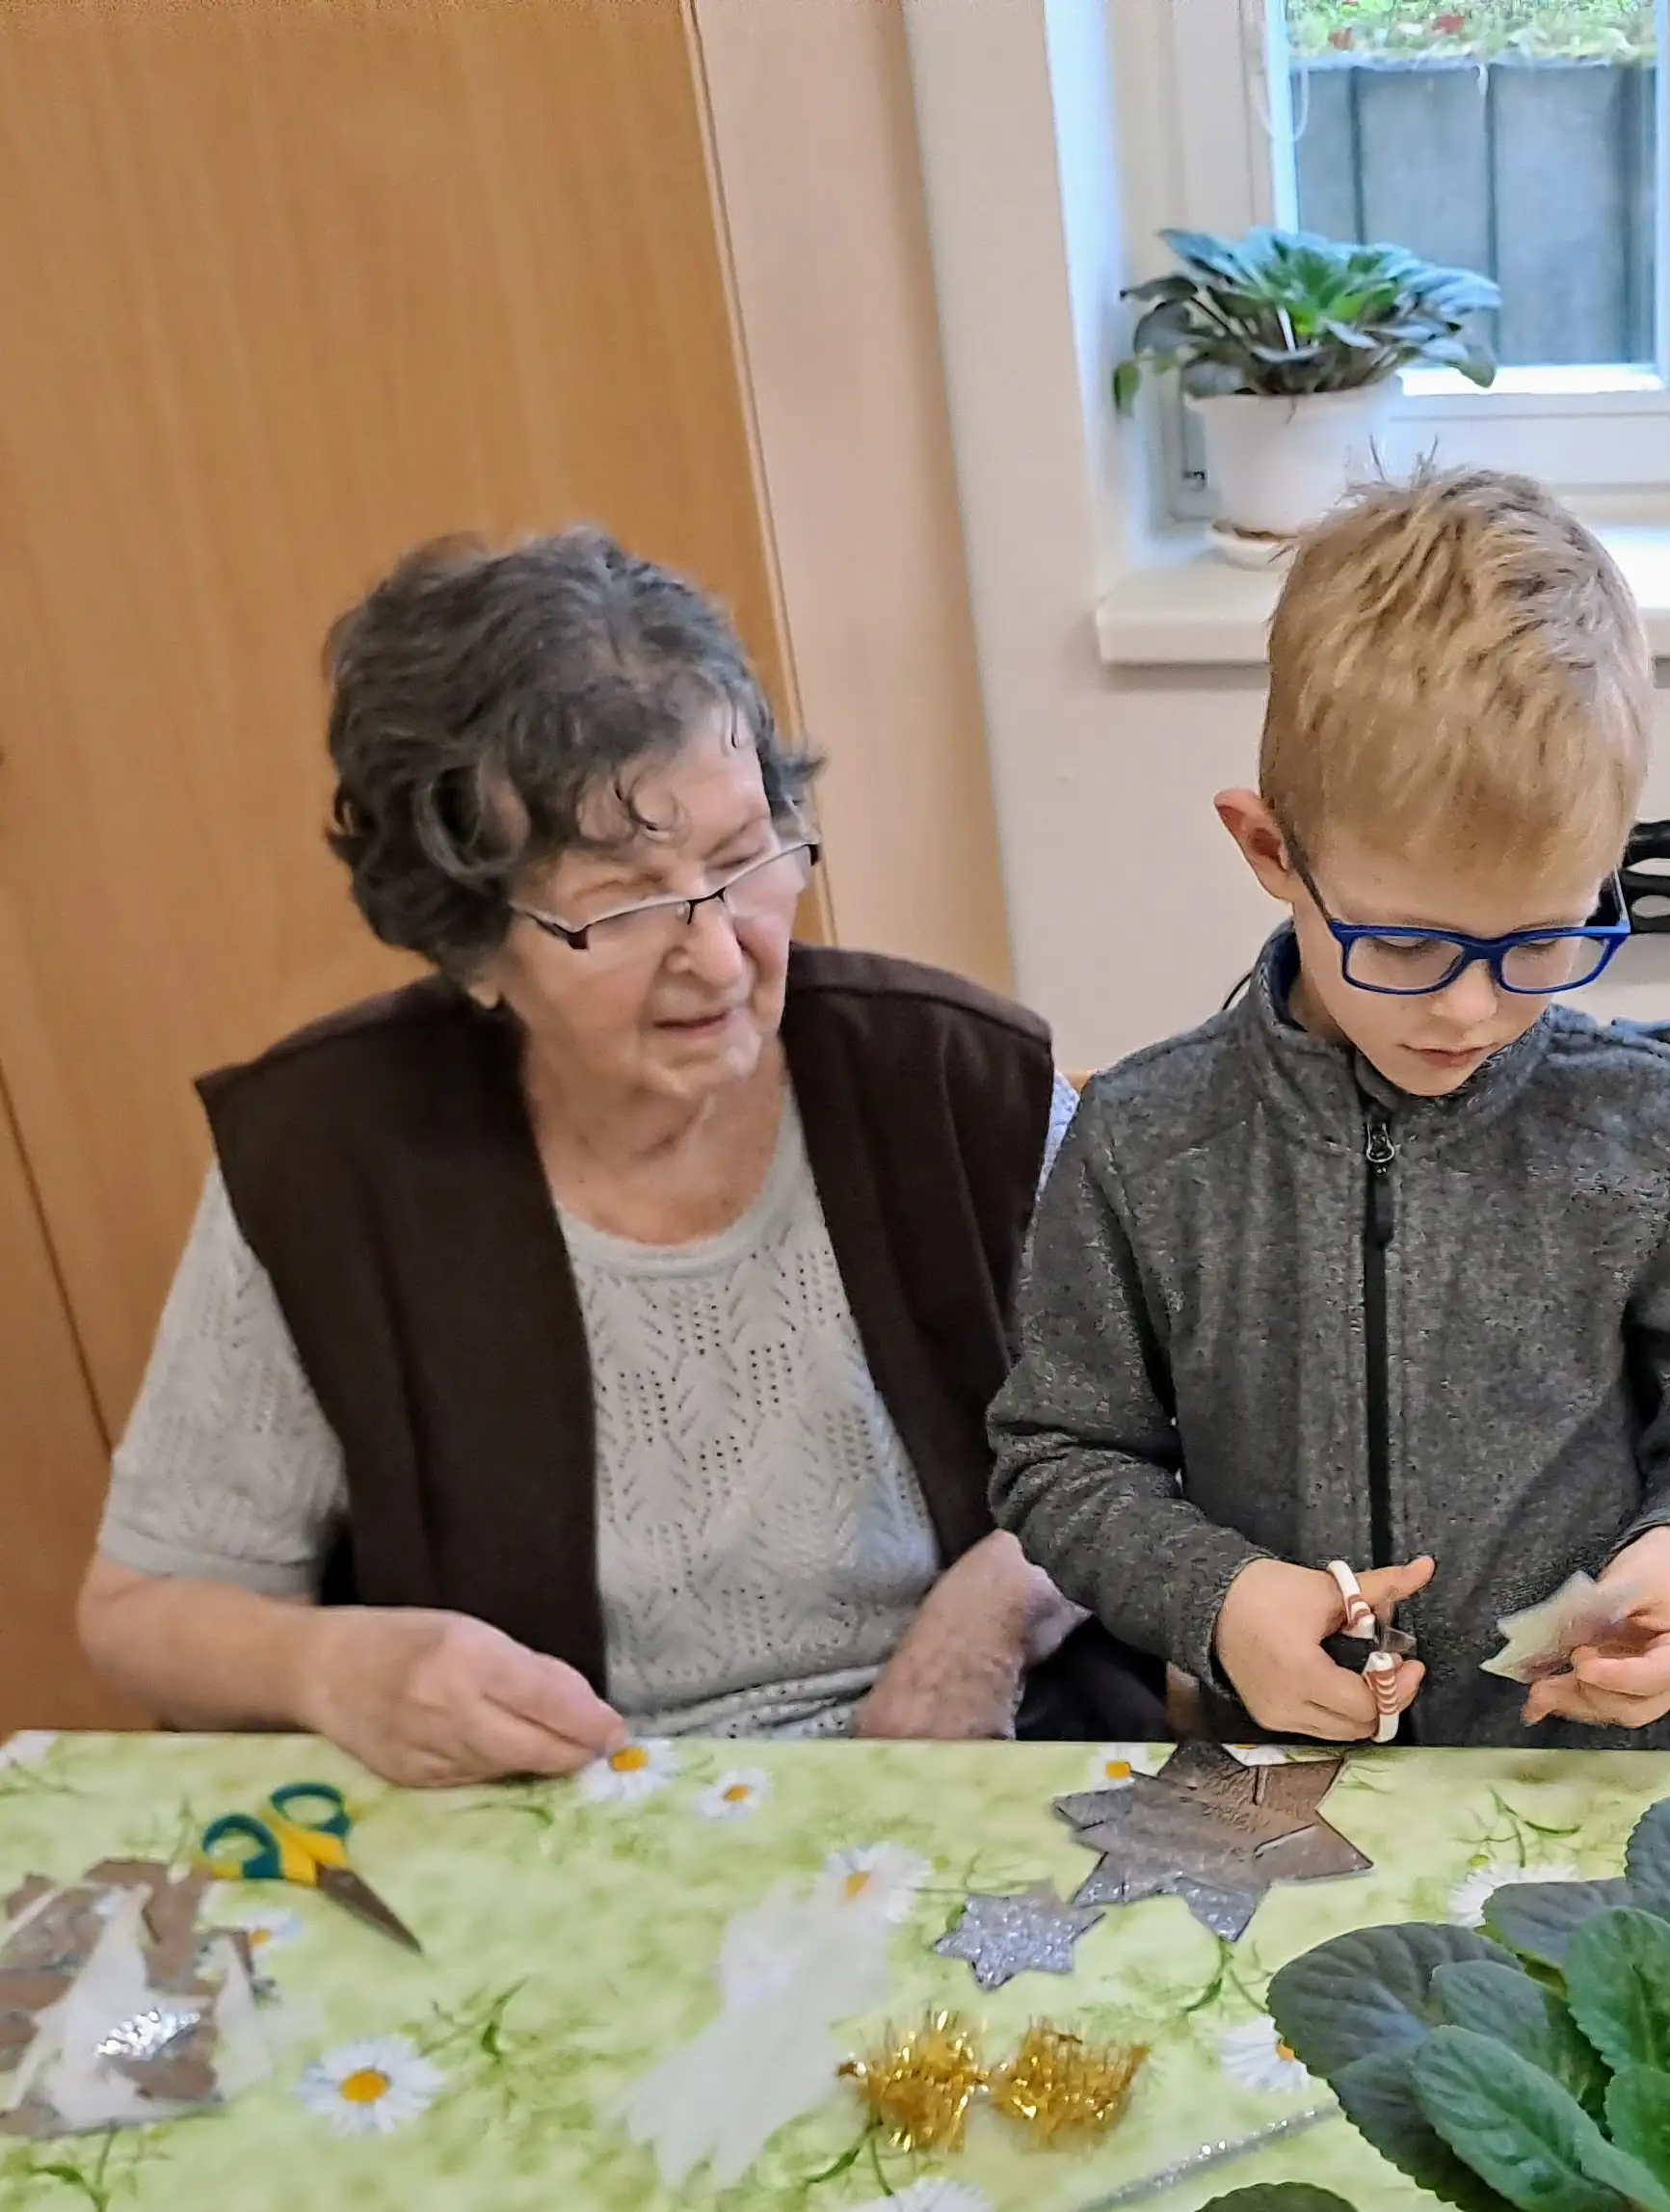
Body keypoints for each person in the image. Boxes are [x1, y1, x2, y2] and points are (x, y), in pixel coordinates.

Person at [78, 528, 1155, 1786]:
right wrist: (338, 1668)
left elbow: (1177, 1443)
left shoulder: (959, 1085)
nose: (718, 951)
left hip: (963, 1784)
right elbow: (141, 1611)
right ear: (469, 938)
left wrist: (997, 1606)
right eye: (624, 901)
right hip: (552, 1828)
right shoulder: (330, 1163)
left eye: (744, 855)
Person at [991, 467, 1670, 1748]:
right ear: (1271, 850)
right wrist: (1220, 1599)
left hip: (1582, 1783)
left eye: (1540, 938)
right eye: (1410, 945)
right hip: (1270, 1778)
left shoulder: (1646, 1128)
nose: (1472, 1011)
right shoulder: (1146, 1145)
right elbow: (1061, 1455)